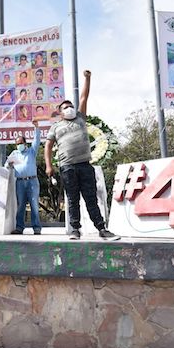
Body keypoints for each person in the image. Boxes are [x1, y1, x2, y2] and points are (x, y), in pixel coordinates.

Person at [44, 70, 118, 241]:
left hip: (85, 165)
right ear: (60, 112)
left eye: (71, 106)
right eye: (65, 107)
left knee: (91, 199)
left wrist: (87, 78)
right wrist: (49, 166)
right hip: (67, 167)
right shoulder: (55, 127)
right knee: (72, 200)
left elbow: (84, 97)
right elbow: (48, 146)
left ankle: (102, 229)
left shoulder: (80, 119)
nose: (69, 108)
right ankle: (75, 230)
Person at [6, 120, 41, 235]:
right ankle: (19, 228)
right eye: (17, 143)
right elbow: (6, 165)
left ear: (25, 143)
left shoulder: (32, 151)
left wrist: (36, 128)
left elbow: (37, 141)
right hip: (20, 182)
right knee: (20, 205)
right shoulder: (14, 153)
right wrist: (9, 165)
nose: (19, 145)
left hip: (32, 181)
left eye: (21, 143)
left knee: (34, 204)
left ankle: (36, 228)